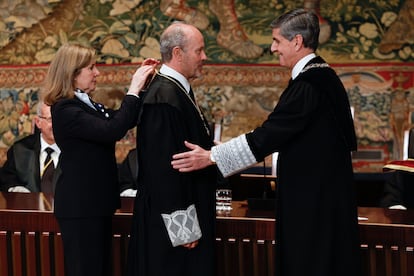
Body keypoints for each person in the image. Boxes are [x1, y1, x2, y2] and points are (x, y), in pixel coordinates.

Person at [171, 9, 361, 276]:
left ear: (296, 41)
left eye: (277, 41)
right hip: (320, 198)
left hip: (313, 206)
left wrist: (212, 156)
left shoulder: (310, 84)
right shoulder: (321, 77)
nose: (272, 49)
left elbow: (268, 136)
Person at [42, 43, 158, 276]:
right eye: (91, 68)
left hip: (94, 203)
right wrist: (133, 88)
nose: (97, 73)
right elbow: (112, 130)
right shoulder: (65, 109)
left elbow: (124, 119)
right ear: (72, 74)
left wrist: (143, 86)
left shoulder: (86, 103)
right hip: (80, 206)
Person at [127, 22, 218, 276]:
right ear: (178, 53)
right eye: (199, 51)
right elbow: (163, 168)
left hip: (190, 209)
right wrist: (183, 228)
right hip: (172, 229)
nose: (204, 57)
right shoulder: (162, 98)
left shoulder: (175, 90)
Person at [0, 101, 60, 194]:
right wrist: (17, 189)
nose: (57, 124)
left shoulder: (77, 151)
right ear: (38, 122)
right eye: (51, 119)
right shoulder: (20, 149)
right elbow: (6, 179)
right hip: (27, 206)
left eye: (60, 118)